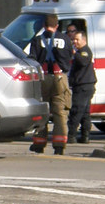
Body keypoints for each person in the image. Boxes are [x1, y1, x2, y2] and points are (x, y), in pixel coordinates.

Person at [29, 14, 73, 155]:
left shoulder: (37, 40)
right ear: (57, 26)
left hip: (43, 78)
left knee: (42, 111)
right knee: (60, 111)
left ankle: (39, 143)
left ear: (43, 25)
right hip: (59, 77)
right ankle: (59, 145)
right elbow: (68, 59)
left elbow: (33, 60)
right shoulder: (65, 39)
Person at [66, 30, 97, 144]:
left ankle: (71, 135)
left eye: (77, 39)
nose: (75, 42)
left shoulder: (84, 52)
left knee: (76, 111)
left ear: (84, 40)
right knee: (84, 113)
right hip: (83, 86)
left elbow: (83, 61)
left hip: (83, 87)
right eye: (73, 39)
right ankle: (85, 136)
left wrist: (74, 53)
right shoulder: (80, 52)